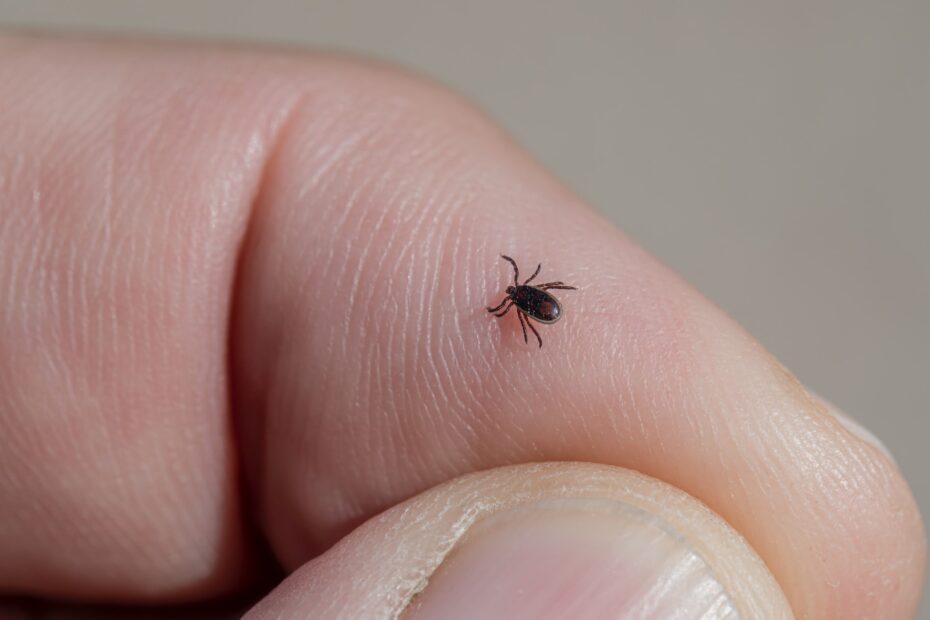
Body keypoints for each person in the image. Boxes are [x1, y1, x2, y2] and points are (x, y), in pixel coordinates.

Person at [0, 36, 924, 619]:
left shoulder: (520, 303)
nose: (523, 303)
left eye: (523, 300)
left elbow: (532, 300)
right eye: (522, 300)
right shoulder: (528, 304)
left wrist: (523, 310)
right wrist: (531, 313)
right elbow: (539, 300)